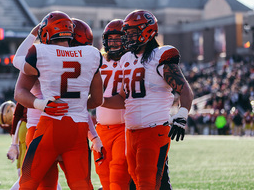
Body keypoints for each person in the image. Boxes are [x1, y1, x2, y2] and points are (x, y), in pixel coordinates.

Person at [102, 10, 194, 189]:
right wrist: (97, 100)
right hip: (131, 132)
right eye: (126, 34)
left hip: (154, 129)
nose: (127, 38)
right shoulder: (126, 59)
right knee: (139, 183)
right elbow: (123, 99)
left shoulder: (160, 56)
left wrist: (182, 115)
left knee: (147, 183)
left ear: (147, 32)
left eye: (133, 33)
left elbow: (185, 90)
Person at [14, 11, 103, 189]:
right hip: (77, 131)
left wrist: (42, 104)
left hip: (48, 128)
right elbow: (97, 100)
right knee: (82, 184)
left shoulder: (40, 52)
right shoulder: (92, 54)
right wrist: (74, 106)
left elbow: (18, 70)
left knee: (30, 183)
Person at [94, 19, 132, 190]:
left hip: (124, 127)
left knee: (119, 171)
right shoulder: (97, 61)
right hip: (101, 128)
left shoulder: (131, 60)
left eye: (119, 38)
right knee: (104, 176)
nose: (114, 42)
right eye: (111, 38)